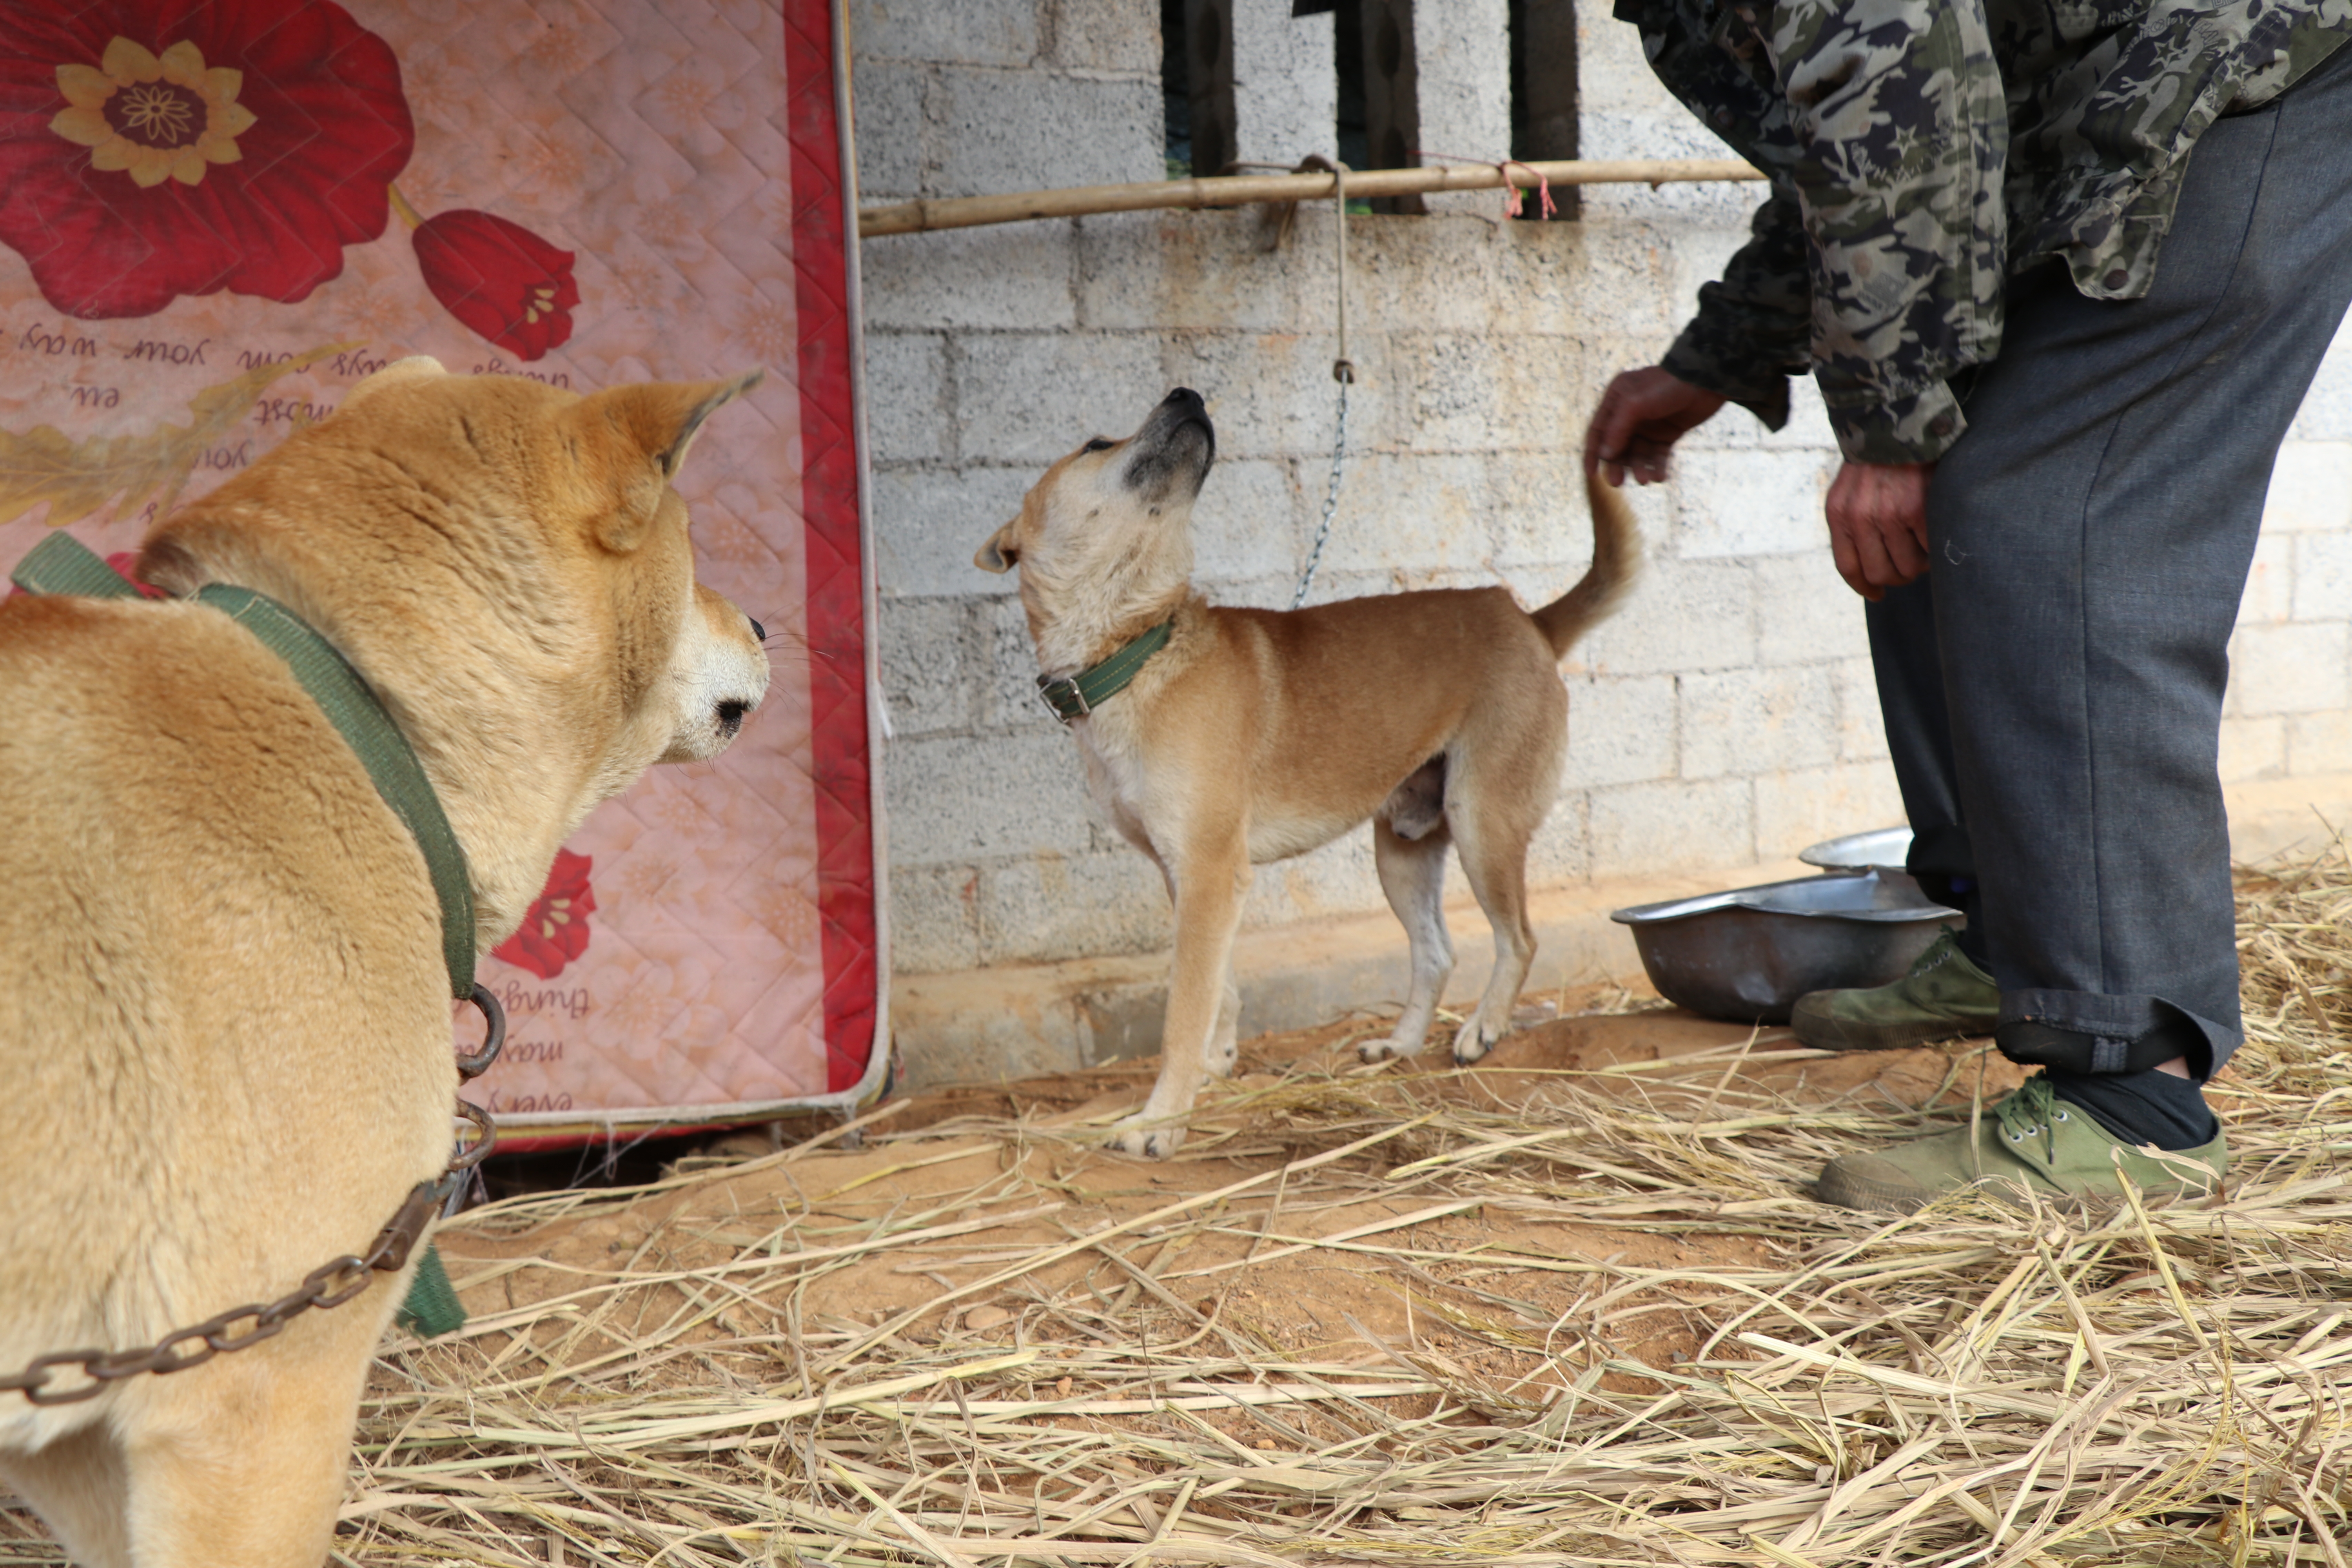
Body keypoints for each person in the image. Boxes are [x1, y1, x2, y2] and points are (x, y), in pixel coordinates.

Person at [1583, 0, 2352, 1211]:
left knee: (2048, 512)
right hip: (2113, 99)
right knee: (1943, 508)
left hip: (2245, 68)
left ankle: (2132, 1098)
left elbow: (1891, 79)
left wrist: (1893, 423)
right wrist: (1717, 359)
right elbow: (1853, 157)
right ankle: (2014, 945)